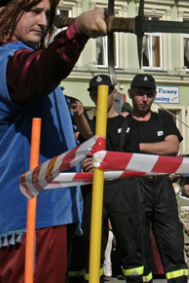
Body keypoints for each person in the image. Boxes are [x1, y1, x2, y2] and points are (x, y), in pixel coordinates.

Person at [0, 0, 107, 282]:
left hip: (45, 208)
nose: (43, 20)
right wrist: (77, 31)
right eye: (34, 11)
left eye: (48, 13)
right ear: (8, 12)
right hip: (31, 210)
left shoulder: (19, 62)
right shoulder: (10, 61)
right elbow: (41, 70)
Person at [68, 75, 148, 283]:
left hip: (122, 187)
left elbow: (133, 159)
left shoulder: (128, 122)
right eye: (94, 93)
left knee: (129, 239)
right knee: (90, 240)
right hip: (93, 187)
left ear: (114, 93)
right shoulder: (88, 121)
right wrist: (78, 116)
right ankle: (92, 278)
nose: (98, 97)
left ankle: (135, 278)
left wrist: (101, 162)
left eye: (103, 92)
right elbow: (90, 139)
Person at [127, 73, 189, 283]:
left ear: (154, 95)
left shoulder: (163, 119)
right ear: (130, 94)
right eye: (139, 94)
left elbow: (172, 147)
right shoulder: (124, 122)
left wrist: (138, 148)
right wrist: (155, 149)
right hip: (134, 186)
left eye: (149, 94)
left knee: (172, 241)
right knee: (138, 245)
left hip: (161, 184)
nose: (144, 99)